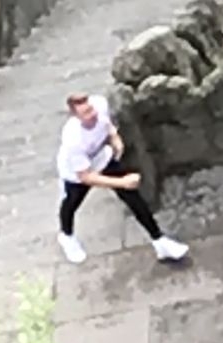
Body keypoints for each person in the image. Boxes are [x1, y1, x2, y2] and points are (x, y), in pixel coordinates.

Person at [54, 93, 188, 265]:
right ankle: (66, 236)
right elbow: (86, 177)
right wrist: (122, 182)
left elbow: (108, 125)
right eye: (86, 113)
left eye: (91, 109)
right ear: (76, 116)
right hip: (77, 172)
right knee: (71, 203)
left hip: (102, 156)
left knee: (133, 197)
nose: (92, 114)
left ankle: (159, 240)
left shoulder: (100, 105)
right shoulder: (73, 140)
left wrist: (115, 139)